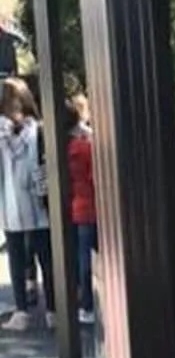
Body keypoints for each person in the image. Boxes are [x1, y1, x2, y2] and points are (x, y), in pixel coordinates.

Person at [0, 78, 54, 332]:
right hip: (33, 204)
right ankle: (49, 310)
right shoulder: (37, 130)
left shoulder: (6, 132)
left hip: (16, 203)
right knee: (42, 257)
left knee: (22, 257)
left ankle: (25, 311)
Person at [66, 98, 98, 324]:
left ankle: (82, 303)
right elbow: (93, 177)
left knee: (79, 257)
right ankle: (89, 303)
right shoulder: (84, 147)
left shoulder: (57, 149)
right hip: (89, 206)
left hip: (71, 208)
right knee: (90, 257)